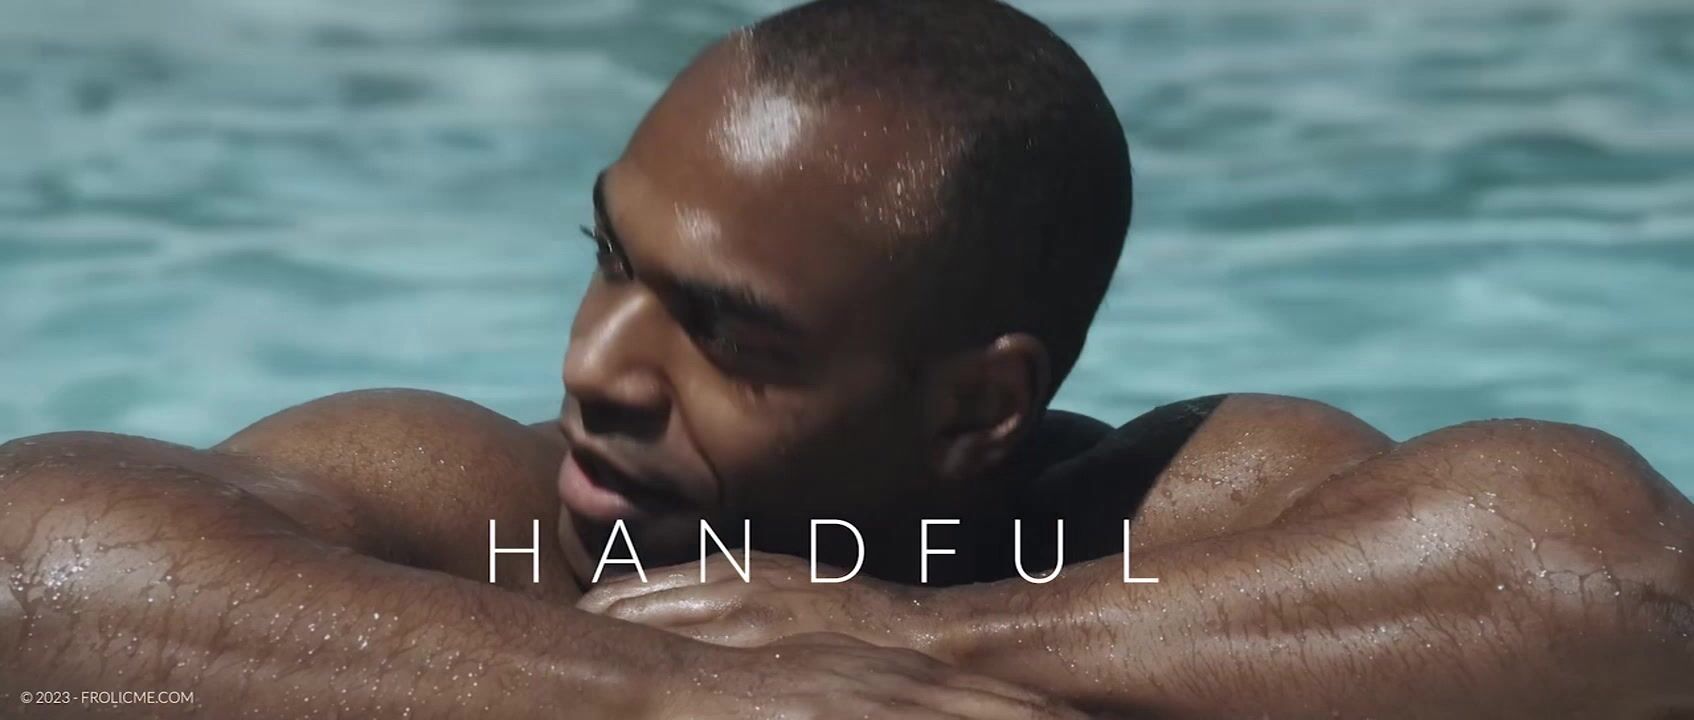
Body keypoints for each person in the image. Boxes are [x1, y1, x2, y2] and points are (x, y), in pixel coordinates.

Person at [2, 0, 1690, 717]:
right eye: (609, 258)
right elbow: (30, 572)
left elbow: (1619, 582)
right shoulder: (487, 529)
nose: (599, 365)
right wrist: (669, 692)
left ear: (977, 406)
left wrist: (919, 640)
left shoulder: (1150, 534)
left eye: (727, 330)